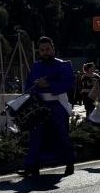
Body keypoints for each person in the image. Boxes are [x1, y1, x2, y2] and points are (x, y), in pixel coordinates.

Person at [20, 36, 75, 178]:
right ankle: (32, 165)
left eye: (48, 49)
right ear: (39, 51)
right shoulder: (36, 66)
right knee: (36, 135)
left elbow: (68, 83)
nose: (45, 52)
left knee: (61, 134)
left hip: (57, 104)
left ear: (53, 49)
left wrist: (49, 85)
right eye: (42, 50)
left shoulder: (64, 64)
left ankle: (69, 162)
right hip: (39, 105)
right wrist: (33, 90)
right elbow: (28, 85)